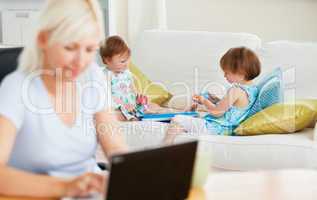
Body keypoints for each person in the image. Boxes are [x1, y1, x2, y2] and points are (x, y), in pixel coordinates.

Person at [0, 0, 128, 198]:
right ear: (43, 39)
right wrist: (66, 187)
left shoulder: (93, 76)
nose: (81, 61)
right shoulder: (16, 87)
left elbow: (116, 147)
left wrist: (137, 174)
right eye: (70, 48)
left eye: (89, 50)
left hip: (90, 194)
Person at [164, 47, 261, 144]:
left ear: (240, 72)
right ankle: (182, 136)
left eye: (227, 72)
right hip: (226, 130)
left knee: (178, 119)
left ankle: (166, 145)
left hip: (215, 129)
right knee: (193, 117)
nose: (224, 76)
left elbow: (217, 112)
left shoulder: (235, 90)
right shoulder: (253, 90)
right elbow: (233, 109)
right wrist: (215, 100)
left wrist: (204, 101)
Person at [99, 35, 162, 121]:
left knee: (153, 106)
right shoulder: (107, 75)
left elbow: (133, 89)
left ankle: (148, 113)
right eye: (122, 61)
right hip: (118, 106)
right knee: (113, 114)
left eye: (127, 60)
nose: (126, 64)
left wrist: (138, 97)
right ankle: (131, 117)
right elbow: (108, 95)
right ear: (107, 60)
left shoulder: (127, 73)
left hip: (132, 104)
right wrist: (123, 105)